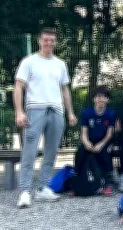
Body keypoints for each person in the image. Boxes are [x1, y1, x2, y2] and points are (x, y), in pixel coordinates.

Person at [14, 28, 77, 208]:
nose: (48, 43)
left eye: (52, 40)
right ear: (39, 41)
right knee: (30, 151)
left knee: (51, 151)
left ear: (55, 43)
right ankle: (25, 190)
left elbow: (65, 89)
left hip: (56, 110)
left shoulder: (60, 64)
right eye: (45, 40)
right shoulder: (29, 62)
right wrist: (19, 111)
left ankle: (43, 188)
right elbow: (19, 87)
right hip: (35, 109)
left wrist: (70, 112)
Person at [75, 85, 116, 195]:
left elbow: (109, 134)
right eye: (98, 96)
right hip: (90, 141)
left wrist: (101, 144)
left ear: (108, 99)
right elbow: (83, 133)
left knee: (105, 153)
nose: (101, 99)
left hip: (104, 142)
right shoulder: (86, 113)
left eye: (104, 97)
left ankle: (108, 182)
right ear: (94, 99)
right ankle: (78, 180)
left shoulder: (111, 113)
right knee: (80, 152)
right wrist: (86, 143)